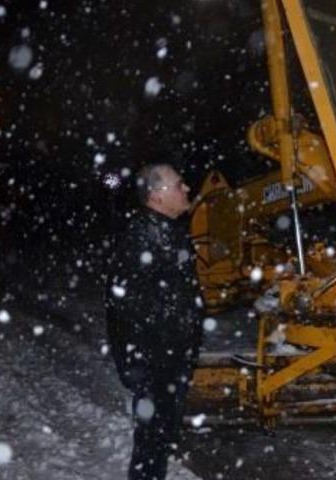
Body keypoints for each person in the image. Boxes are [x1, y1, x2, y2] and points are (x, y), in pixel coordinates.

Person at [105, 163, 204, 480]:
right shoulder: (142, 238)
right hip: (154, 363)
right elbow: (124, 308)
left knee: (160, 440)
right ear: (157, 196)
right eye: (178, 184)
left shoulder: (168, 232)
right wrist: (141, 366)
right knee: (151, 443)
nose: (186, 188)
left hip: (169, 360)